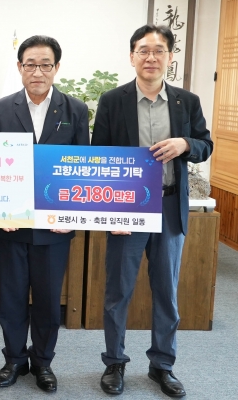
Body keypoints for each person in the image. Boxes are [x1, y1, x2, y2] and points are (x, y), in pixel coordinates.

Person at [92, 24, 213, 397]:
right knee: (118, 291)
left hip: (168, 205)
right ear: (132, 56)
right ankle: (114, 362)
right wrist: (113, 213)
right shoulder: (112, 101)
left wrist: (184, 144)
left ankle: (162, 365)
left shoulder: (186, 101)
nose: (151, 57)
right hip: (127, 208)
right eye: (143, 50)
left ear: (170, 57)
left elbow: (205, 145)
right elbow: (100, 156)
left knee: (166, 292)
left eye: (159, 50)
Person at [0, 35, 89, 392]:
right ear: (20, 67)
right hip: (12, 223)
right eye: (30, 64)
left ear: (56, 68)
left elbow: (82, 167)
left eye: (45, 64)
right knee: (12, 297)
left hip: (54, 225)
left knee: (47, 299)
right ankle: (14, 359)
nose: (37, 72)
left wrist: (70, 215)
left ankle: (43, 362)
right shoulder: (0, 109)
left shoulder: (75, 110)